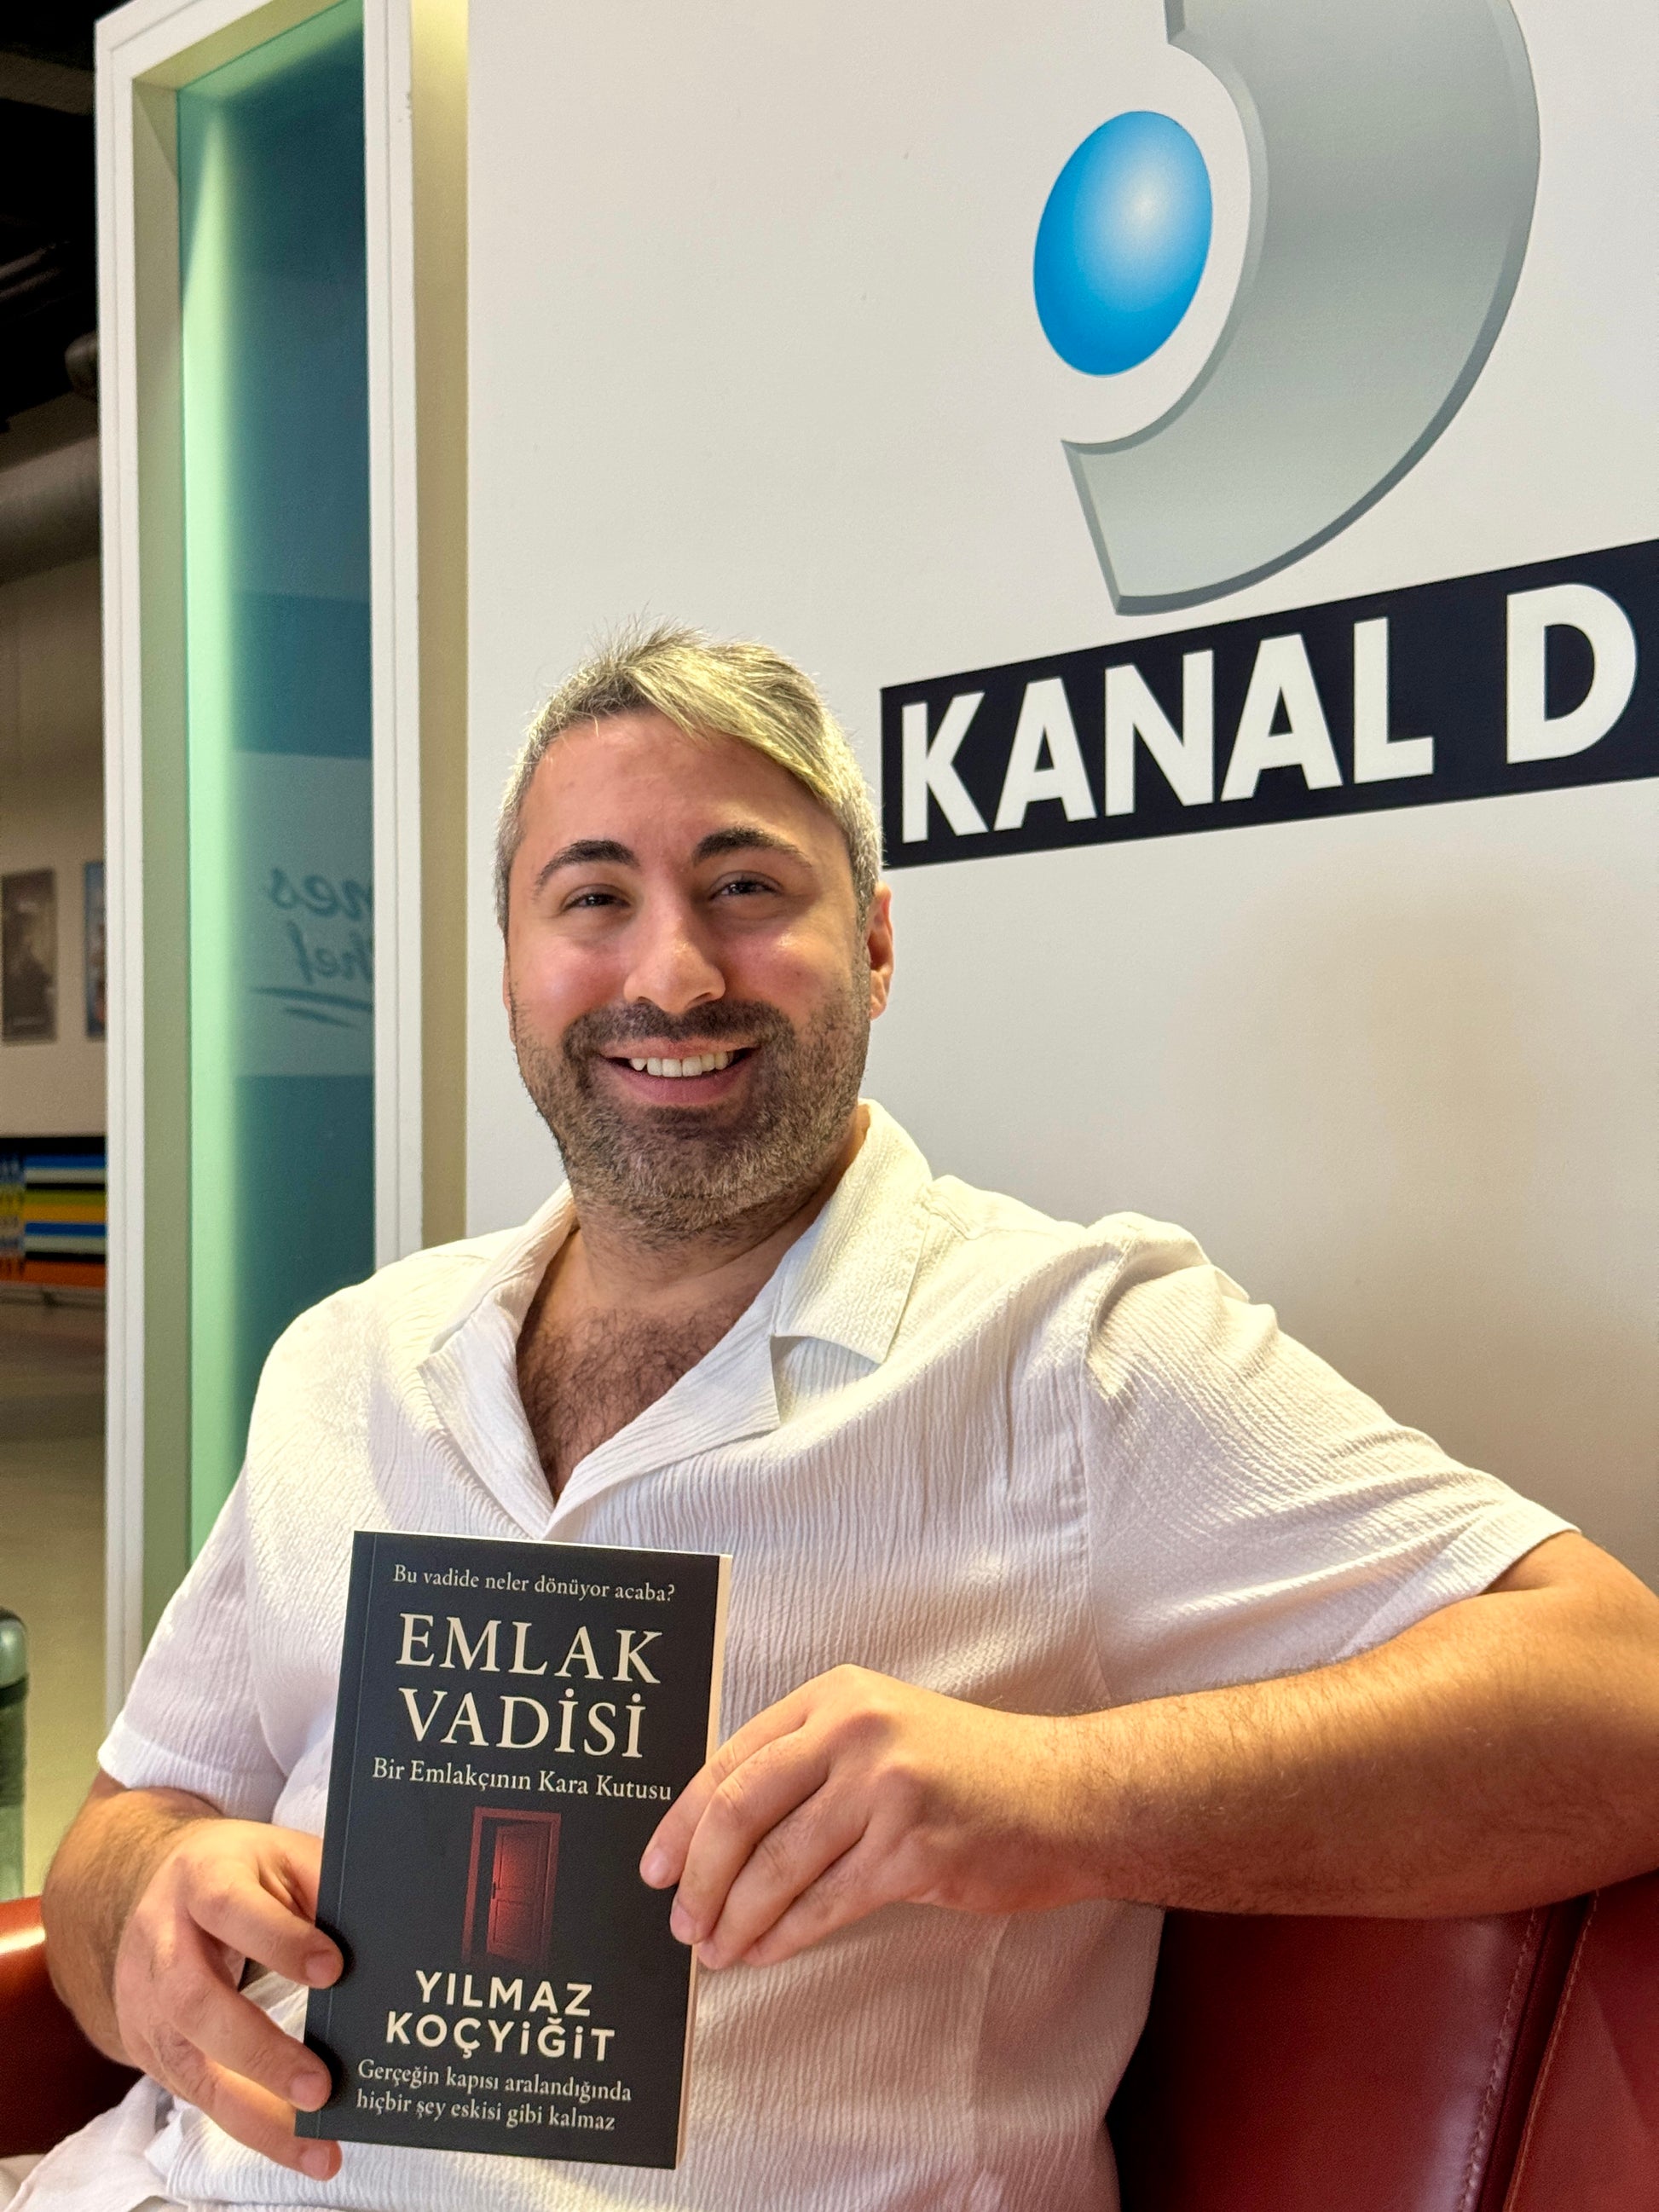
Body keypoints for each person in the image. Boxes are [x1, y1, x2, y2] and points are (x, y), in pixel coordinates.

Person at [31, 627, 1659, 2212]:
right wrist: (150, 1909)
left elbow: (1620, 1698)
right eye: (592, 898)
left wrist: (1055, 1797)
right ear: (513, 965)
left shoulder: (1069, 1351)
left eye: (744, 889)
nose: (670, 974)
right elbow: (128, 1830)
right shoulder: (350, 1355)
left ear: (874, 946)